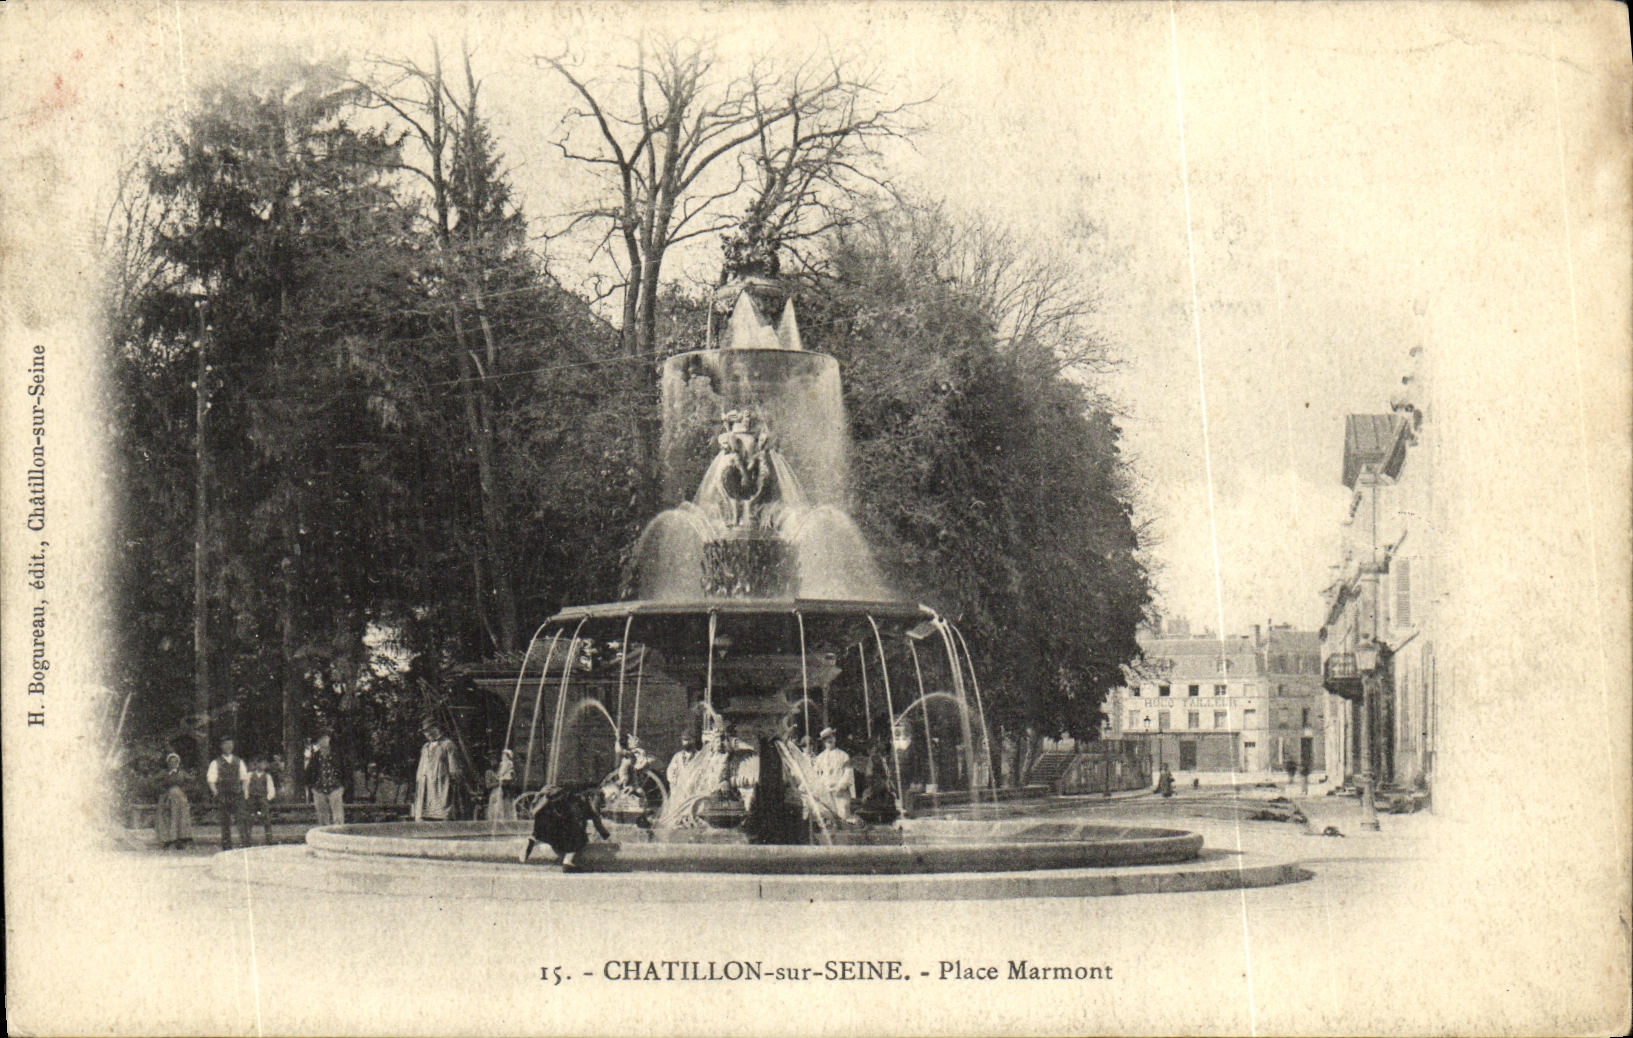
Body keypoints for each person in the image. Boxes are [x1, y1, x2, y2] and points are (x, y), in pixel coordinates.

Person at [519, 785, 610, 872]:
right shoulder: (595, 797)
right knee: (580, 837)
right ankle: (568, 863)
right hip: (564, 821)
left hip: (546, 816)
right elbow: (597, 823)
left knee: (549, 835)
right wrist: (607, 838)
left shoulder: (576, 796)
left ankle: (532, 840)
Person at [206, 737, 251, 849]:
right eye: (225, 744)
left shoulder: (238, 761)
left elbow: (245, 778)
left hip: (237, 794)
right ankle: (227, 846)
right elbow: (211, 780)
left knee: (241, 819)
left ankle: (245, 844)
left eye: (230, 744)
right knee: (225, 822)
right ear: (221, 746)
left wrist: (243, 791)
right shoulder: (215, 762)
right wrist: (215, 792)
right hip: (223, 795)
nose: (228, 746)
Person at [413, 722, 459, 822]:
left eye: (428, 730)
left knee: (441, 798)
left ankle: (443, 816)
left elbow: (453, 764)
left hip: (440, 778)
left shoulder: (447, 744)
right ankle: (424, 815)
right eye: (425, 732)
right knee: (426, 799)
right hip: (426, 779)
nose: (426, 734)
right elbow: (422, 764)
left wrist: (453, 774)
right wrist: (419, 777)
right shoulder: (425, 747)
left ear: (435, 728)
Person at [813, 726, 856, 821]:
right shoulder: (820, 757)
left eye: (831, 737)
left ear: (835, 738)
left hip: (840, 793)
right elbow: (816, 775)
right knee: (828, 819)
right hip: (826, 793)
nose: (829, 740)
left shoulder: (844, 756)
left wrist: (840, 786)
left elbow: (848, 773)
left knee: (843, 817)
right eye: (826, 739)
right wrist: (821, 787)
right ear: (823, 742)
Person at [154, 752, 193, 850]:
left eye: (175, 762)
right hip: (167, 799)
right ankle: (169, 839)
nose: (173, 764)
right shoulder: (164, 773)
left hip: (180, 799)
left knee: (181, 817)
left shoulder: (182, 773)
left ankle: (181, 838)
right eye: (171, 762)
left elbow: (191, 782)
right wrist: (164, 790)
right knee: (168, 817)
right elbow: (154, 782)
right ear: (168, 763)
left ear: (178, 763)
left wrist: (184, 790)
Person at [306, 733, 345, 826]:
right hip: (319, 790)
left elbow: (345, 770)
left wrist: (342, 787)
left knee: (338, 817)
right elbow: (308, 774)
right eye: (320, 740)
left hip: (335, 788)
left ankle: (338, 836)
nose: (323, 741)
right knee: (322, 819)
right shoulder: (315, 757)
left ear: (329, 740)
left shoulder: (337, 755)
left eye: (325, 739)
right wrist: (313, 789)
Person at [245, 758, 277, 845]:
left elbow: (271, 788)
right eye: (260, 763)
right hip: (252, 799)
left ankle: (269, 839)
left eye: (264, 764)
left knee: (266, 819)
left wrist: (268, 798)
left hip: (262, 799)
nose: (262, 766)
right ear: (257, 764)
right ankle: (247, 840)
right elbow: (245, 787)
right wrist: (247, 797)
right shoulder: (250, 775)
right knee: (249, 819)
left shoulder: (267, 776)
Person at [486, 749, 516, 821]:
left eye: (504, 755)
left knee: (503, 806)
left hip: (502, 788)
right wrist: (499, 780)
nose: (503, 757)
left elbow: (507, 773)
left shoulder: (507, 764)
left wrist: (502, 778)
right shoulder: (492, 770)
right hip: (497, 790)